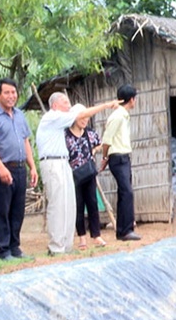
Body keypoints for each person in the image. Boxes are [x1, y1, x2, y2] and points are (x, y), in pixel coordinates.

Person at [35, 92, 119, 255]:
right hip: (52, 162)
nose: (68, 106)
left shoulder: (61, 123)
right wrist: (107, 105)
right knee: (57, 205)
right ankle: (56, 246)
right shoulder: (52, 117)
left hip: (63, 162)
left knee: (69, 205)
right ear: (55, 105)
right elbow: (82, 114)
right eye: (65, 103)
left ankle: (66, 245)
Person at [0, 78, 38, 261]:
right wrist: (0, 168)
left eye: (13, 92)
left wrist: (33, 167)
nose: (11, 96)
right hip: (2, 170)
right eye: (7, 92)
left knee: (17, 210)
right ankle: (3, 250)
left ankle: (15, 247)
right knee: (2, 211)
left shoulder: (20, 115)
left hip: (21, 169)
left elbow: (25, 141)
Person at [100, 84, 140, 241]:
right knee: (127, 192)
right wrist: (105, 158)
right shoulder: (117, 116)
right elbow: (107, 140)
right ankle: (125, 230)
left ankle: (124, 230)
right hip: (117, 157)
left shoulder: (123, 115)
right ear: (131, 100)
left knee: (125, 193)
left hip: (124, 157)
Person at [65, 104, 108, 250]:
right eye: (82, 117)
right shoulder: (66, 134)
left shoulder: (89, 133)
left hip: (89, 173)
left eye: (87, 117)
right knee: (78, 205)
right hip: (73, 175)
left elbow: (99, 144)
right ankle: (82, 237)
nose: (85, 120)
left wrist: (93, 151)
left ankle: (96, 235)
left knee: (92, 203)